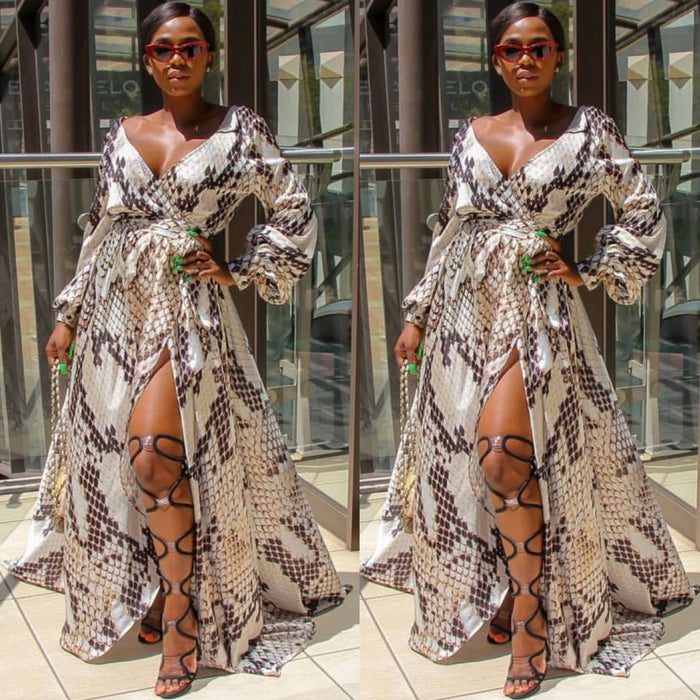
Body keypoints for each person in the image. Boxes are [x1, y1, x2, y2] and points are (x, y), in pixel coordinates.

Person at [6, 3, 345, 698]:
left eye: (191, 46)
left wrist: (239, 268)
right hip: (113, 310)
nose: (178, 58)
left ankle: (184, 618)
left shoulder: (240, 130)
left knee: (156, 455)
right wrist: (69, 312)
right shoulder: (123, 133)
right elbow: (100, 227)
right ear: (148, 60)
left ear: (210, 55)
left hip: (187, 311)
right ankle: (160, 584)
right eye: (163, 49)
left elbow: (296, 209)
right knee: (122, 457)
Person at [361, 3, 695, 699]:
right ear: (495, 59)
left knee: (502, 454)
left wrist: (588, 268)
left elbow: (644, 209)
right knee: (472, 460)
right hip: (461, 312)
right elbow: (449, 229)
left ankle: (530, 618)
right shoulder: (472, 134)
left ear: (558, 55)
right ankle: (505, 587)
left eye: (539, 47)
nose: (525, 59)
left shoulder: (589, 130)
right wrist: (418, 313)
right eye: (511, 49)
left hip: (537, 311)